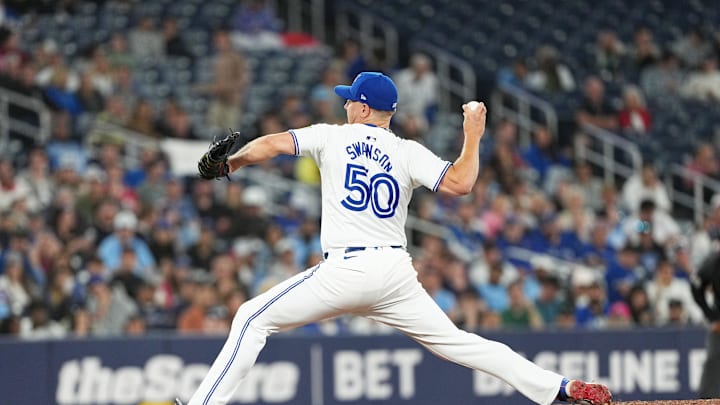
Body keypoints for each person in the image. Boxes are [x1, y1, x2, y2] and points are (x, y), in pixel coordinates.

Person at [180, 72, 611, 405]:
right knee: (461, 344)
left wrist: (229, 166)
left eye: (350, 98)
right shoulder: (407, 151)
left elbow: (272, 144)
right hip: (394, 274)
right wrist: (473, 135)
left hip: (346, 269)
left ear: (365, 108)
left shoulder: (333, 136)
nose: (345, 103)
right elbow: (461, 183)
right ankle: (560, 388)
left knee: (252, 319)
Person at [691, 251, 720, 398]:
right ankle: (707, 400)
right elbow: (696, 285)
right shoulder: (714, 262)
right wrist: (712, 315)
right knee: (714, 360)